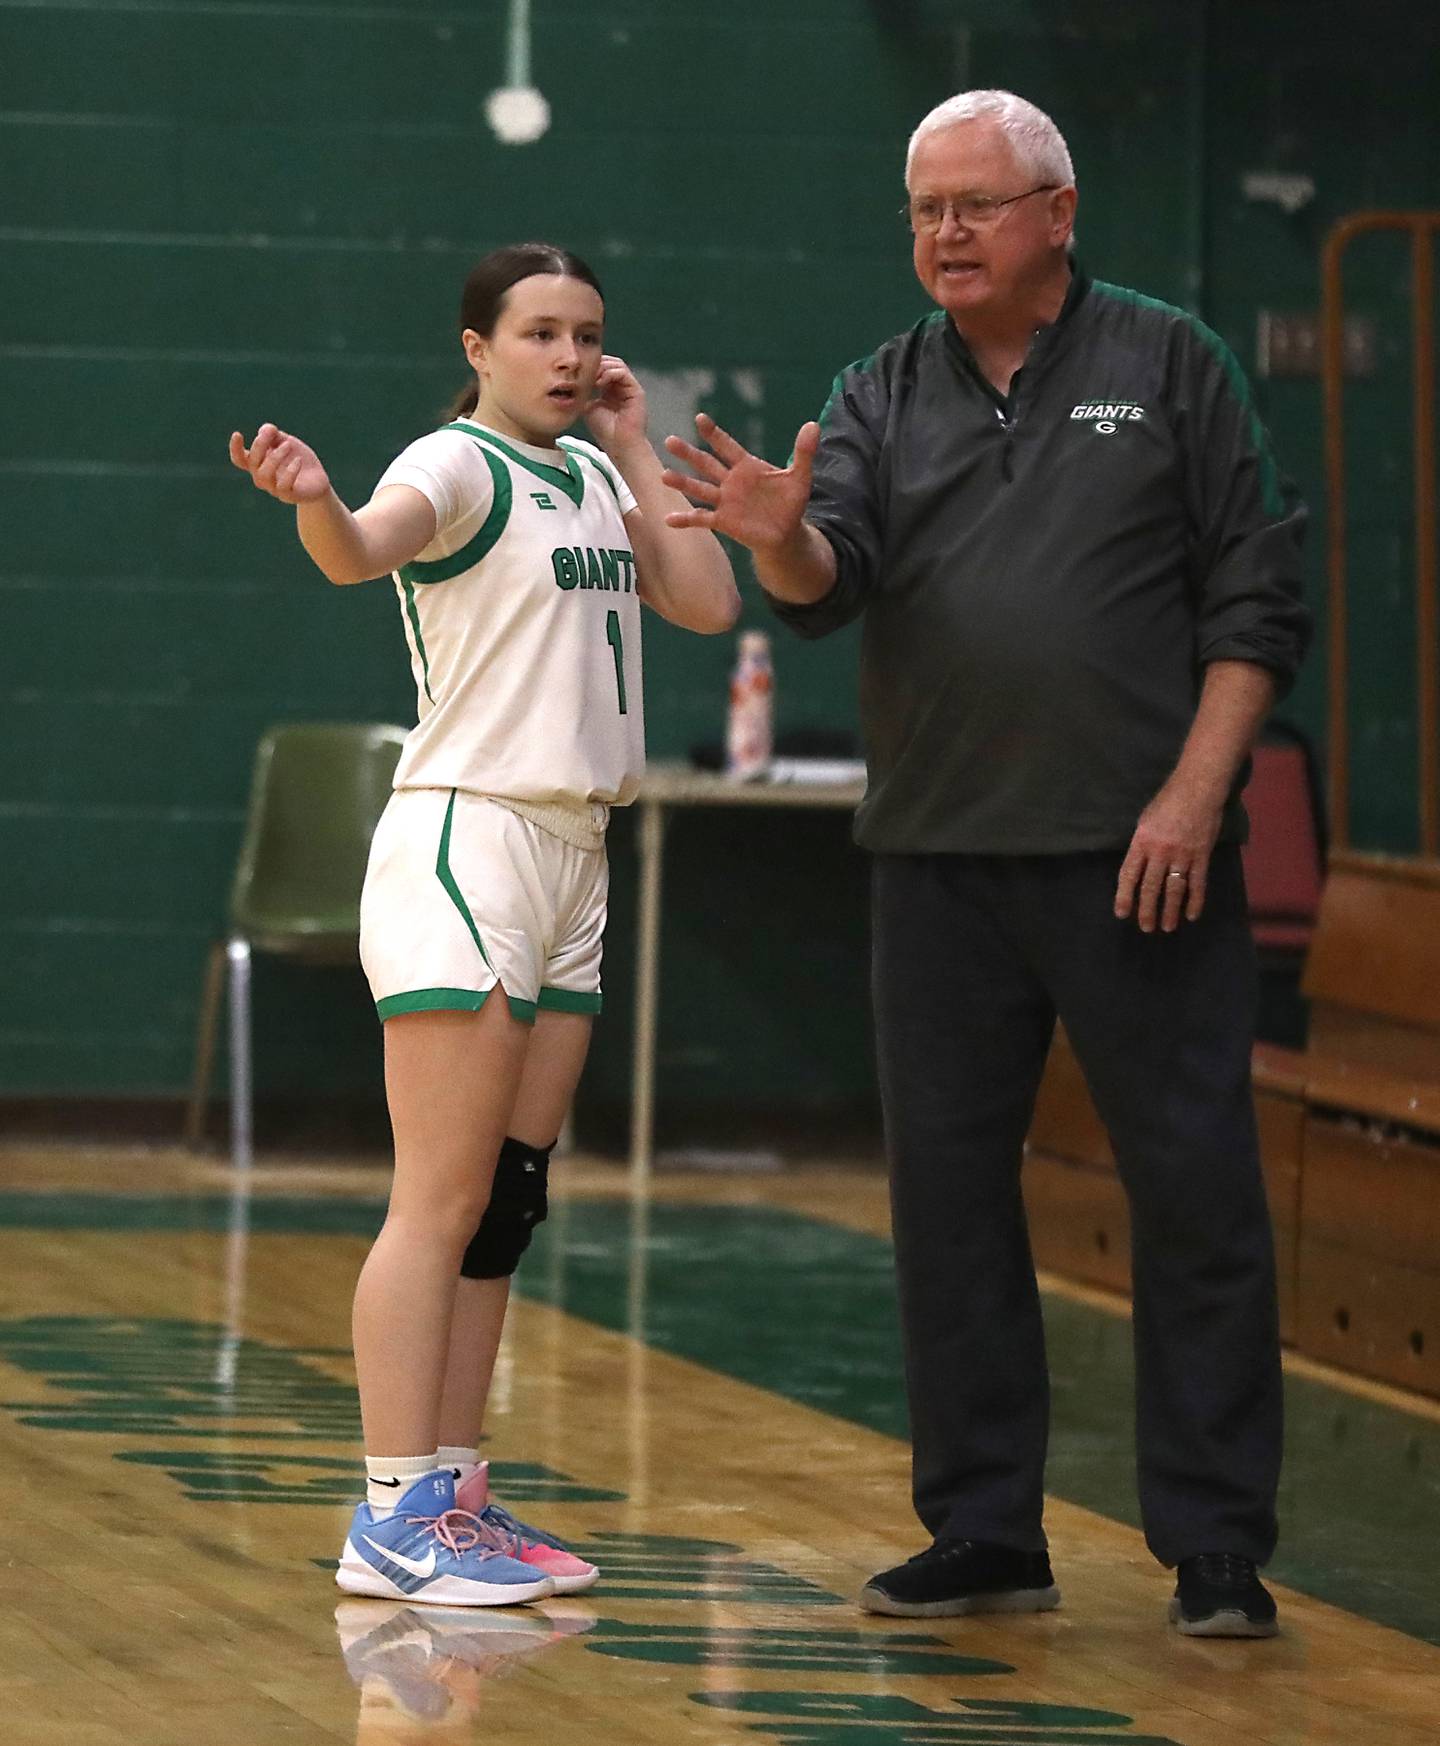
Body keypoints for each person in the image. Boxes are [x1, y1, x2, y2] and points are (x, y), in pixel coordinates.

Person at [661, 91, 1309, 1638]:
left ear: (1058, 212)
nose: (945, 233)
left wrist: (1196, 793)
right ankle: (984, 1528)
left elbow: (1258, 594)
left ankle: (1217, 1543)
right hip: (939, 861)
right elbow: (830, 581)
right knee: (948, 1203)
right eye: (924, 209)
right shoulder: (881, 391)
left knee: (1197, 1191)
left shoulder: (1171, 364)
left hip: (1140, 857)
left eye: (977, 204)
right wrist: (775, 538)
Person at [230, 242, 739, 1606]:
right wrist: (318, 501)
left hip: (577, 849)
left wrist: (636, 447)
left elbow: (709, 599)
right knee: (439, 1195)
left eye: (588, 335)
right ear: (478, 347)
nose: (570, 358)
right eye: (540, 334)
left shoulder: (586, 469)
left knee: (505, 1203)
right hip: (471, 839)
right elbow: (359, 551)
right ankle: (390, 1505)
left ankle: (456, 1489)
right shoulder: (453, 465)